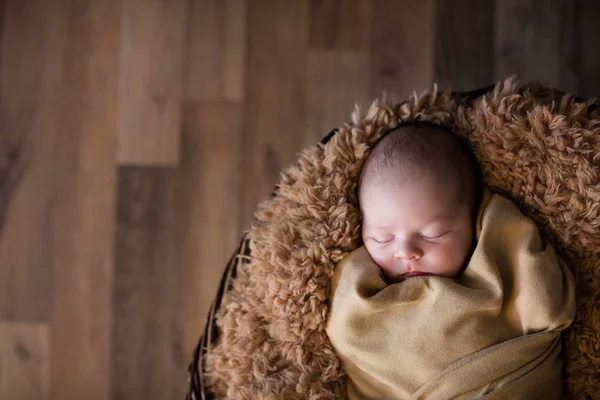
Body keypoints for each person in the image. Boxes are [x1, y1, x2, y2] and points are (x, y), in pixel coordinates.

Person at [325, 121, 576, 399]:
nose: (406, 251)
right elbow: (346, 334)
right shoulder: (360, 293)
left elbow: (546, 300)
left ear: (474, 220)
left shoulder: (502, 268)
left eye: (433, 234)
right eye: (382, 239)